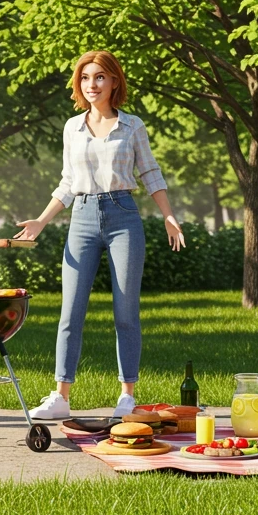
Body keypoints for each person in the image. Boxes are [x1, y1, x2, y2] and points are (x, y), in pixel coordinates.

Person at [16, 50, 184, 421]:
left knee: (126, 312)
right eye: (86, 78)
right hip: (82, 217)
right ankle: (61, 394)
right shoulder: (72, 128)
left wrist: (169, 216)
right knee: (70, 311)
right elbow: (67, 182)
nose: (92, 85)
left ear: (114, 82)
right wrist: (41, 222)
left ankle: (127, 394)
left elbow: (150, 173)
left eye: (100, 77)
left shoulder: (132, 126)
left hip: (123, 215)